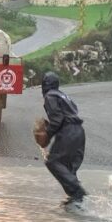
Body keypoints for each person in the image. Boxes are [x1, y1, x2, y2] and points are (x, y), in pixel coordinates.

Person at [41, 71, 88, 205]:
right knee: (69, 166)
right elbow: (72, 112)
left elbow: (57, 120)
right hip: (79, 131)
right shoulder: (63, 95)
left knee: (53, 161)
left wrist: (47, 135)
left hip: (69, 132)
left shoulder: (50, 96)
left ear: (45, 84)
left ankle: (77, 191)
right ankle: (76, 202)